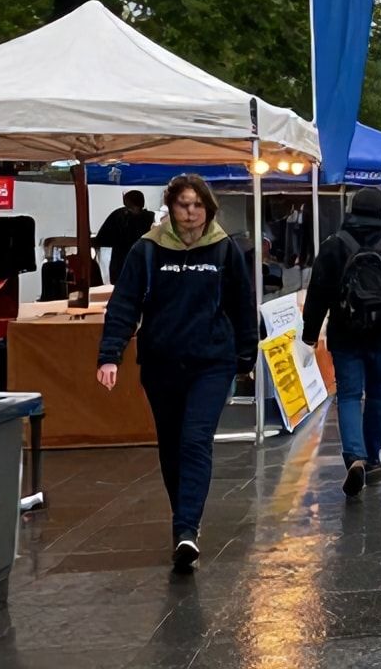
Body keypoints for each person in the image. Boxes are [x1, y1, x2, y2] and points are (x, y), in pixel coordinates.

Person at [96, 175, 255, 570]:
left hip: (211, 362)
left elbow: (242, 303)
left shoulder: (223, 248)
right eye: (184, 204)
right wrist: (109, 354)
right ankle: (181, 520)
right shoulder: (147, 250)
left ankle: (187, 529)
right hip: (161, 361)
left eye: (198, 205)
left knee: (194, 440)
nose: (191, 212)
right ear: (171, 207)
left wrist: (246, 357)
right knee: (170, 445)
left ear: (209, 208)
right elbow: (124, 303)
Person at [301, 187, 381, 497]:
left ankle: (354, 457)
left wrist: (310, 332)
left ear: (351, 209)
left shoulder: (334, 244)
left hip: (345, 334)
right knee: (378, 394)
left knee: (348, 395)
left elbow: (317, 291)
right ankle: (372, 460)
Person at [93, 189, 156, 284]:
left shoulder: (120, 215)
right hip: (135, 264)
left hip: (124, 264)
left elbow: (102, 239)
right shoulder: (150, 217)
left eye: (129, 206)